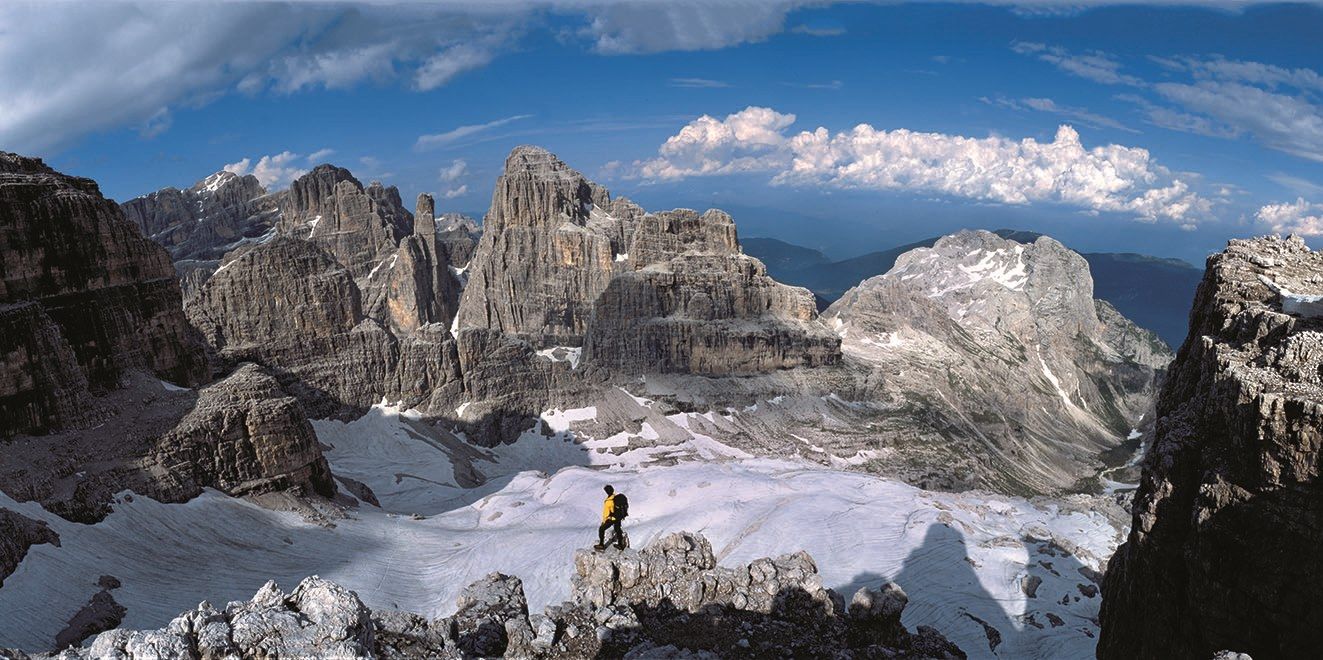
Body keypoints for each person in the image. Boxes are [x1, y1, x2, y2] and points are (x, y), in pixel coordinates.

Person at [596, 484, 628, 550]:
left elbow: (606, 514)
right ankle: (620, 545)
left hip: (612, 518)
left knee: (601, 529)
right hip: (618, 517)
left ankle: (601, 544)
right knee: (617, 529)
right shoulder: (616, 497)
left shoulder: (608, 501)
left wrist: (604, 521)